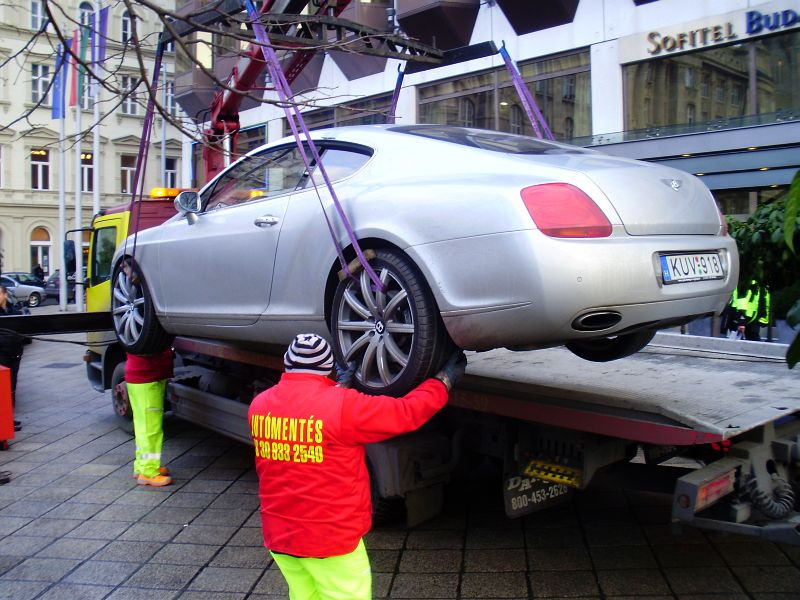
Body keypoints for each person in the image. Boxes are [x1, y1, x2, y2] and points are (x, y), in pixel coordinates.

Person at [249, 333, 467, 600]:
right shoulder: (344, 408)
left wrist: (339, 387)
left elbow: (304, 414)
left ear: (286, 364)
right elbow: (405, 412)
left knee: (305, 594)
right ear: (327, 367)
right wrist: (442, 381)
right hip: (329, 540)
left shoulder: (259, 406)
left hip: (280, 537)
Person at [125, 348, 174, 487]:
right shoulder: (148, 331)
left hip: (143, 376)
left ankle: (141, 466)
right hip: (147, 377)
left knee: (143, 425)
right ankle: (148, 472)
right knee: (151, 428)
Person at [0, 285, 24, 431]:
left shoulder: (10, 310)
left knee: (11, 387)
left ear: (4, 295)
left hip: (14, 353)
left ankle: (9, 418)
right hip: (2, 353)